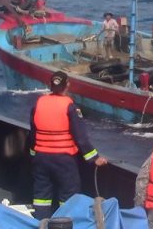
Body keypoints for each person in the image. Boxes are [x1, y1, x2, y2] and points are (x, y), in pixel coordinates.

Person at [28, 71, 108, 220]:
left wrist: (33, 154)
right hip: (64, 160)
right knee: (68, 197)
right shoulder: (70, 106)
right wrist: (94, 158)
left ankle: (39, 223)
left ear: (50, 86)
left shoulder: (39, 103)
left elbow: (33, 134)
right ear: (68, 85)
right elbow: (81, 137)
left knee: (41, 197)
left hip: (41, 159)